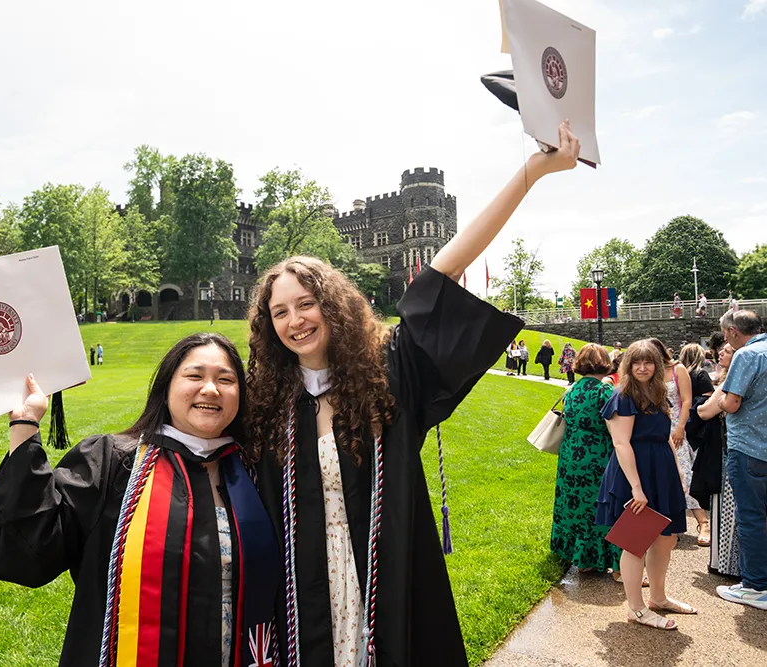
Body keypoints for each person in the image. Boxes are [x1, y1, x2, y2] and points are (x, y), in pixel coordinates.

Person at [246, 121, 581, 666]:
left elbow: (445, 268)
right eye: (278, 312)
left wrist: (533, 172)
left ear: (331, 304)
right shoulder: (264, 403)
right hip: (296, 600)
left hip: (388, 584)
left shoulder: (388, 374)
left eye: (305, 303)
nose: (294, 320)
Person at [0, 333, 280, 667]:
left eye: (225, 380)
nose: (210, 389)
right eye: (195, 376)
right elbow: (35, 542)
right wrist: (24, 425)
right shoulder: (115, 463)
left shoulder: (256, 473)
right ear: (166, 388)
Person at [597, 340, 693, 630]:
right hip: (634, 473)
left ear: (657, 365)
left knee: (666, 537)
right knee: (636, 542)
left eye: (648, 362)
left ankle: (658, 598)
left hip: (661, 470)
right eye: (636, 362)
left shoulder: (658, 394)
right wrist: (637, 488)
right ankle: (636, 608)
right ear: (628, 365)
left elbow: (665, 437)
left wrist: (676, 473)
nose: (642, 367)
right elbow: (621, 443)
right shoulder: (623, 396)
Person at [550, 343, 620, 576]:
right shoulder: (604, 391)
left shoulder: (571, 390)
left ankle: (583, 559)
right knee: (599, 508)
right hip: (597, 457)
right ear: (604, 364)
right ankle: (604, 558)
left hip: (570, 456)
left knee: (576, 507)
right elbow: (616, 429)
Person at [714, 310, 767, 610]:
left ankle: (756, 586)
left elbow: (731, 404)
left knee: (751, 519)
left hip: (749, 448)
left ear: (733, 332)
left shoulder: (747, 356)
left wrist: (720, 399)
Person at [648, 338, 707, 540]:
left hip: (676, 427)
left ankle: (703, 523)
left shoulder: (677, 369)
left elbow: (687, 399)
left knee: (684, 474)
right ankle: (667, 522)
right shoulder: (649, 373)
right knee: (661, 476)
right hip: (655, 429)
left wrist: (681, 427)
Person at [697, 343, 741, 578]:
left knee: (726, 507)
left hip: (727, 451)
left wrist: (704, 404)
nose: (720, 353)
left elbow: (705, 412)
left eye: (727, 350)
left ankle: (725, 563)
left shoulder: (728, 383)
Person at [678, 343, 717, 546]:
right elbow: (709, 399)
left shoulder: (681, 374)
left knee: (685, 474)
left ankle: (703, 522)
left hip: (682, 427)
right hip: (689, 427)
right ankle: (702, 522)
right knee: (686, 473)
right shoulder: (700, 374)